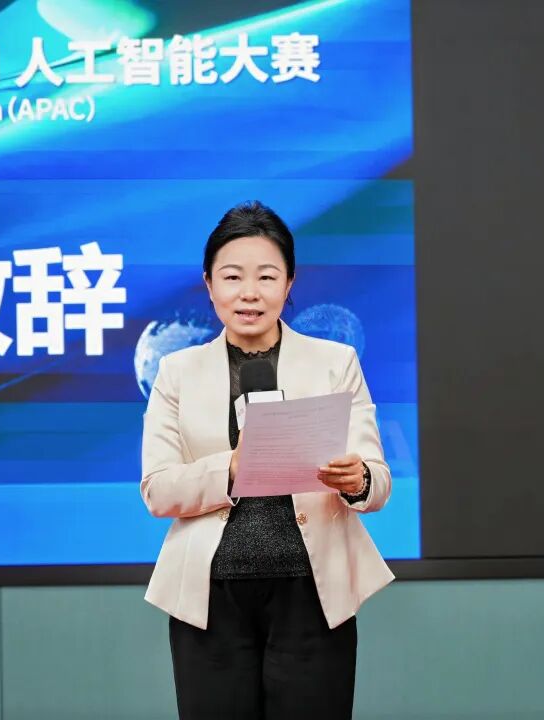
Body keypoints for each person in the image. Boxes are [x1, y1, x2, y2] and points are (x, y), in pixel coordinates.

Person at [140, 201, 394, 719]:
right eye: (232, 277)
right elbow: (158, 490)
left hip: (312, 594)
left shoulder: (334, 363)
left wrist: (358, 479)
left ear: (289, 282)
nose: (249, 293)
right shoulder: (176, 372)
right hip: (210, 600)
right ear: (209, 283)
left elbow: (378, 481)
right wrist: (233, 467)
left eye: (267, 276)